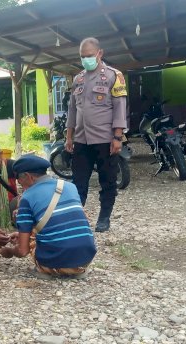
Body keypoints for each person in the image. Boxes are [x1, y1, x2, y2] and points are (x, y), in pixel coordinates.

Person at [65, 37, 128, 232]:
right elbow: (72, 110)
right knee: (78, 182)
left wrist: (117, 137)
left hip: (105, 140)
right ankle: (75, 218)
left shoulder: (113, 76)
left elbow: (119, 108)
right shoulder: (78, 79)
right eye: (82, 57)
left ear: (100, 53)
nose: (86, 60)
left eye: (89, 56)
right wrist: (69, 136)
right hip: (81, 140)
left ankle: (104, 217)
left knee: (107, 181)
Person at [0, 155, 96, 278]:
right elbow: (60, 221)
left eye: (19, 179)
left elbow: (22, 251)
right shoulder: (70, 186)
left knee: (31, 236)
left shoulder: (27, 197)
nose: (19, 183)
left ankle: (49, 269)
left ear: (29, 176)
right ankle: (74, 267)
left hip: (56, 262)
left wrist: (10, 251)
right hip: (86, 259)